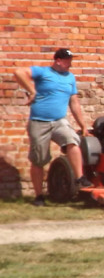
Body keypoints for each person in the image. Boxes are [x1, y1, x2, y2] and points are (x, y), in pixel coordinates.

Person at [13, 48, 92, 206]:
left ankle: (79, 178)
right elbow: (18, 72)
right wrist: (32, 90)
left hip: (59, 120)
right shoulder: (43, 72)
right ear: (58, 61)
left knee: (72, 141)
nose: (70, 63)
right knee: (39, 160)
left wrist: (83, 125)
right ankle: (39, 197)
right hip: (38, 122)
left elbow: (74, 102)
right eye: (67, 60)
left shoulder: (70, 78)